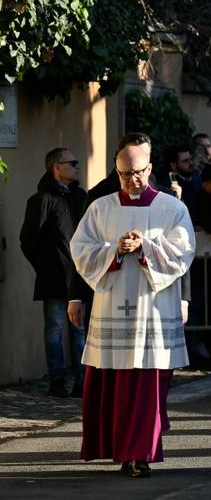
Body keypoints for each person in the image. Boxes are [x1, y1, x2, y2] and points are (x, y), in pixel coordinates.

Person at [68, 144, 195, 478]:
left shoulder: (171, 207)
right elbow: (80, 251)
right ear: (116, 171)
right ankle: (120, 450)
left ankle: (139, 454)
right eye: (124, 174)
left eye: (138, 172)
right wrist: (114, 250)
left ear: (149, 168)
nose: (132, 180)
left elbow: (184, 253)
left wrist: (145, 248)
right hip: (113, 308)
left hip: (153, 310)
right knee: (116, 385)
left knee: (145, 386)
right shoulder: (100, 207)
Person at [20, 148, 88, 397]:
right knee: (55, 329)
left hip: (79, 276)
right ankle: (57, 381)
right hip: (54, 276)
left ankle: (82, 381)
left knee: (80, 330)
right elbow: (28, 240)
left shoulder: (81, 196)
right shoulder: (41, 200)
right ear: (56, 167)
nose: (76, 166)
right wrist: (46, 265)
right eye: (72, 162)